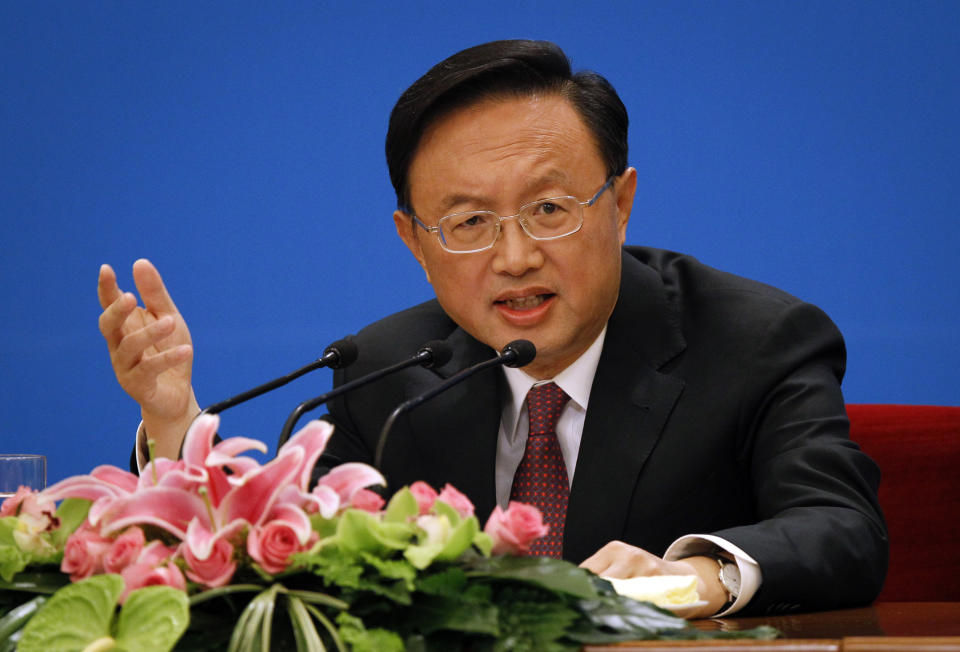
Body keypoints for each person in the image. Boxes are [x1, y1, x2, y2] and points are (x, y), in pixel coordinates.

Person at [97, 40, 887, 618]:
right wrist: (173, 423)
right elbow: (287, 559)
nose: (515, 257)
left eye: (549, 209)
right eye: (469, 222)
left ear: (619, 204)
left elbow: (842, 530)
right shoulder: (387, 371)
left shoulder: (756, 341)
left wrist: (694, 577)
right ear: (415, 241)